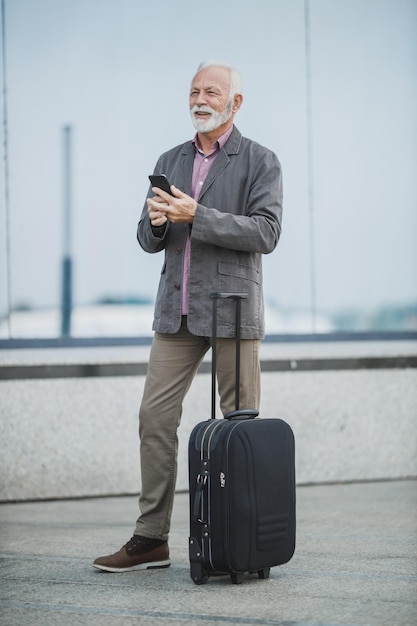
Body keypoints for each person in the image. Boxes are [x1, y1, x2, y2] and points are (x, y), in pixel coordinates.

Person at [93, 60, 283, 572]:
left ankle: (242, 542)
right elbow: (146, 237)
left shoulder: (260, 160)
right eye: (194, 91)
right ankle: (151, 538)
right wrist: (157, 224)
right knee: (154, 419)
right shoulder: (170, 159)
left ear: (234, 103)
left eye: (212, 91)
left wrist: (197, 215)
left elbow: (265, 232)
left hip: (231, 311)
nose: (200, 99)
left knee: (239, 428)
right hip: (175, 313)